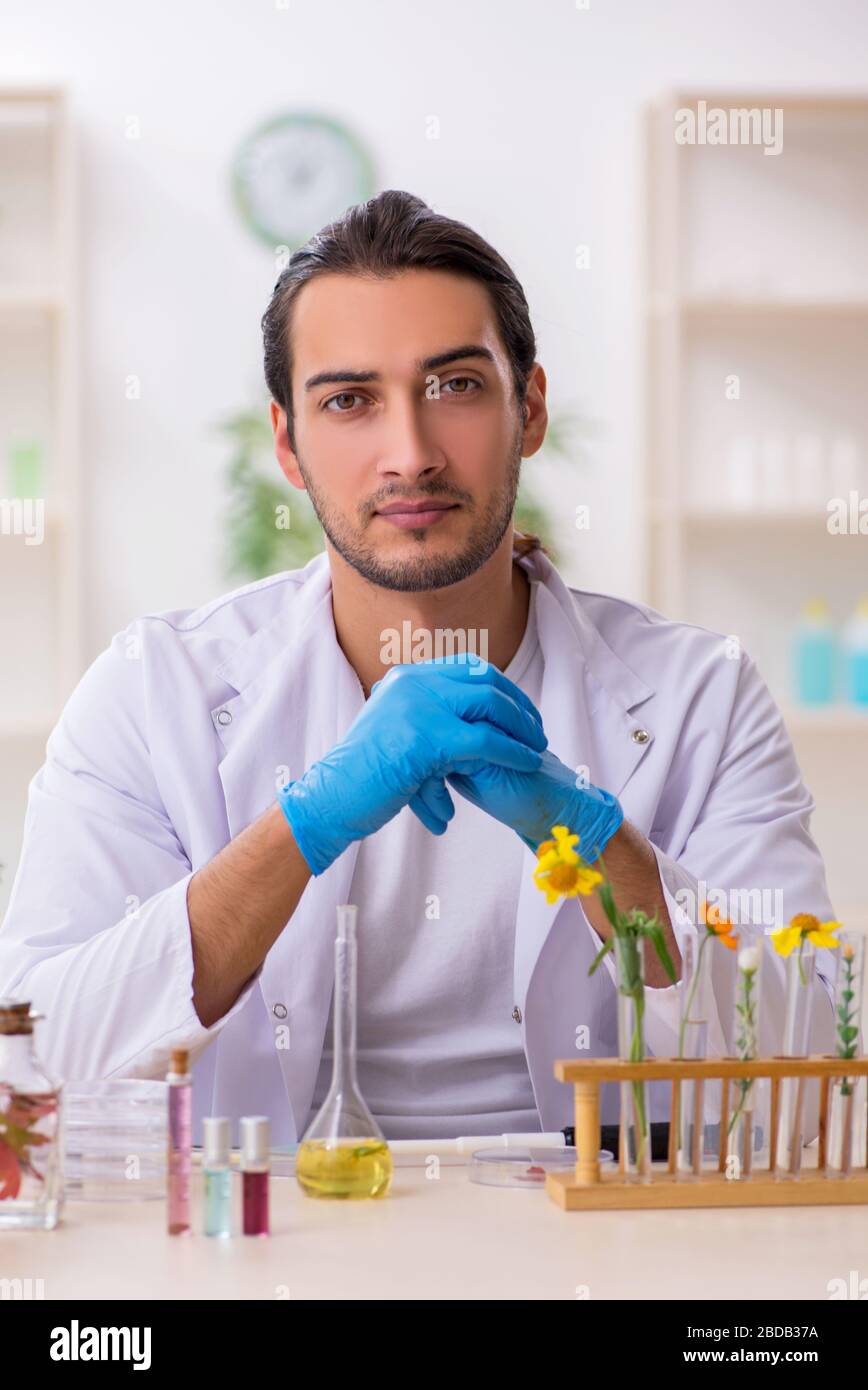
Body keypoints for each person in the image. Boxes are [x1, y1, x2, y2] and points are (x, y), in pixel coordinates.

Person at [0, 191, 836, 1145]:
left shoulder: (701, 696)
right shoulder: (154, 690)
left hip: (594, 1251)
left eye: (455, 386)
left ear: (529, 408)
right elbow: (32, 1061)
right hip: (271, 1246)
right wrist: (304, 823)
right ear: (288, 444)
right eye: (349, 400)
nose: (411, 454)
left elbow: (805, 1086)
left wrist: (598, 841)